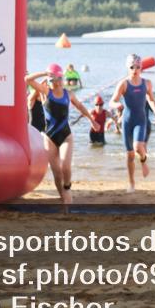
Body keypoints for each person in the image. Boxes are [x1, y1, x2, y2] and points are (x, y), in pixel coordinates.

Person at [43, 63, 101, 204]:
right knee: (57, 174)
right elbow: (27, 80)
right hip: (49, 137)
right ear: (50, 80)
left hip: (65, 135)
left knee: (65, 166)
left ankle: (67, 187)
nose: (58, 82)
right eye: (54, 79)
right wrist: (45, 75)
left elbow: (80, 106)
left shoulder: (68, 94)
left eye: (59, 78)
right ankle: (63, 198)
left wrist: (92, 121)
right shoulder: (45, 92)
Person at [110, 53, 155, 193]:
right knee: (130, 155)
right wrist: (117, 105)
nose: (135, 69)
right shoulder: (124, 84)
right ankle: (132, 183)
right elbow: (112, 101)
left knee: (138, 146)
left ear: (141, 67)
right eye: (132, 67)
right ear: (128, 67)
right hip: (127, 121)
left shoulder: (147, 83)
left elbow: (151, 99)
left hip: (140, 120)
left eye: (138, 67)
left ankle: (144, 160)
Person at [25, 69, 50, 136]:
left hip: (43, 131)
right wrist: (46, 76)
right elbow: (38, 88)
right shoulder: (31, 100)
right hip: (33, 132)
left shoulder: (44, 101)